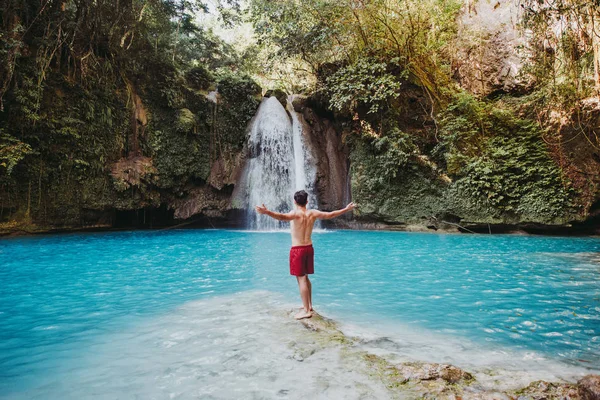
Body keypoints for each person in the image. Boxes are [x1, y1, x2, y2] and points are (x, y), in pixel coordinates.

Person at [255, 190, 355, 320]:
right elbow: (330, 214)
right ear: (307, 201)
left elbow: (281, 217)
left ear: (294, 201)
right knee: (306, 278)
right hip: (309, 248)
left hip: (298, 249)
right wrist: (346, 209)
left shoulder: (295, 214)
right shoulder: (312, 213)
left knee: (301, 279)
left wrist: (266, 212)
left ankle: (306, 310)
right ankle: (309, 305)